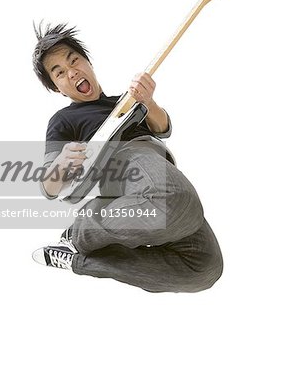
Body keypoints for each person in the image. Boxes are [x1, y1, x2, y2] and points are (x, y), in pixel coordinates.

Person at [32, 23, 223, 293]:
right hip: (121, 165)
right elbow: (48, 187)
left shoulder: (127, 101)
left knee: (204, 267)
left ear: (88, 62)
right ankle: (82, 231)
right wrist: (62, 163)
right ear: (58, 89)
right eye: (60, 73)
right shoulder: (64, 120)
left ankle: (77, 259)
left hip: (155, 166)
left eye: (74, 60)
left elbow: (163, 127)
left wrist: (148, 102)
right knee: (177, 201)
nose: (71, 72)